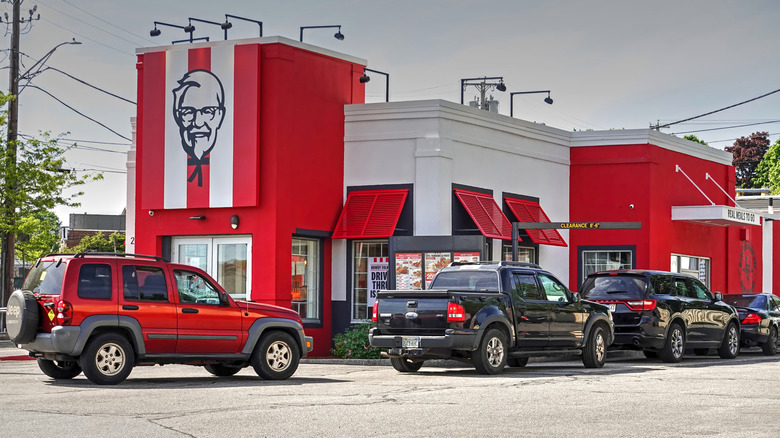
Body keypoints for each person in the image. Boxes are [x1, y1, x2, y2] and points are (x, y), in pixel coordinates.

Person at [171, 69, 226, 187]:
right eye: (188, 112)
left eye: (207, 111)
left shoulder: (235, 165)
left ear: (220, 115)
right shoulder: (164, 168)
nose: (198, 122)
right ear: (177, 116)